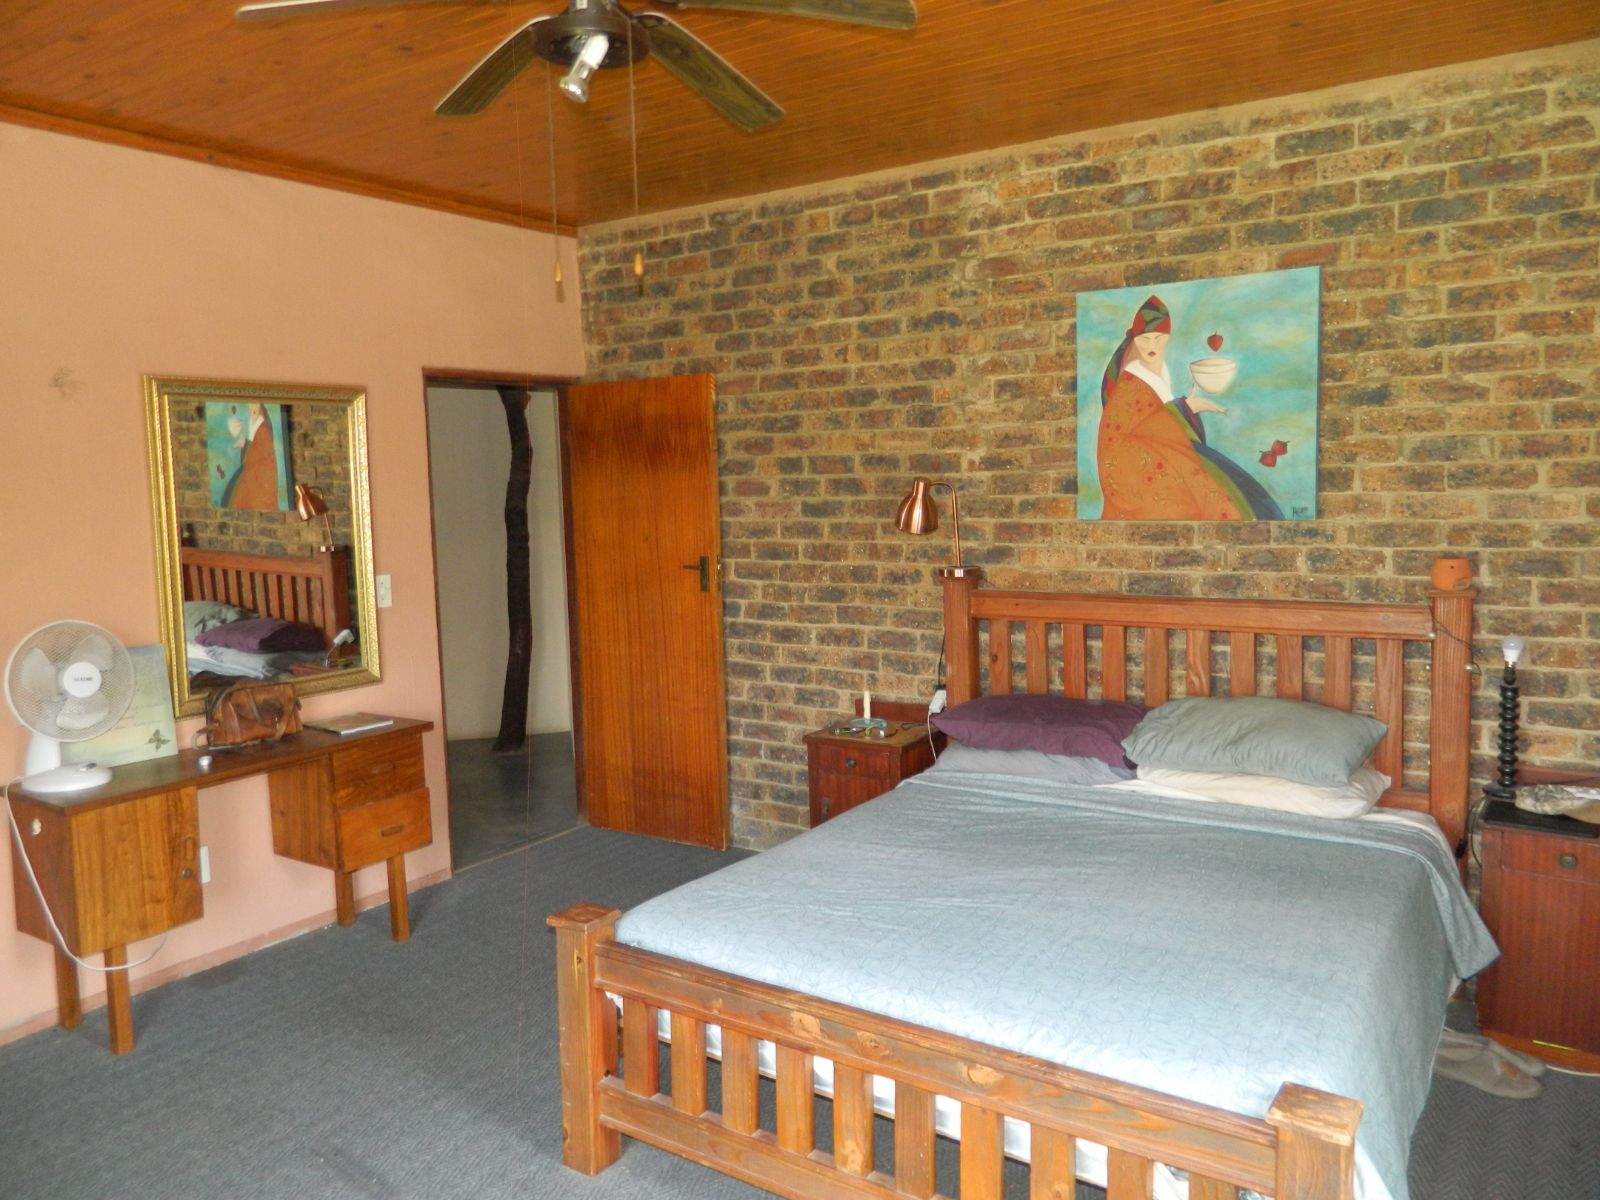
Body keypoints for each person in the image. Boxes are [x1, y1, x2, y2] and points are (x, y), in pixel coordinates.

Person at [1094, 295, 1281, 520]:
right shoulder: (1131, 383)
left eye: (1158, 338)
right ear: (1134, 340)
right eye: (1145, 339)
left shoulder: (1160, 372)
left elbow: (1155, 424)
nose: (1152, 346)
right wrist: (1185, 407)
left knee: (1235, 490)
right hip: (1137, 474)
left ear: (1167, 338)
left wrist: (1186, 409)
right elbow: (1119, 443)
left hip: (1168, 456)